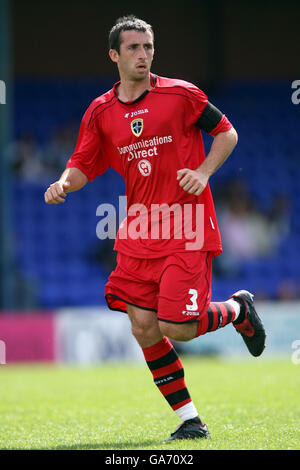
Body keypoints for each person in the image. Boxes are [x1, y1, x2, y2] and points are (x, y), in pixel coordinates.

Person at [44, 15, 266, 441]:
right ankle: (190, 420)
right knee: (144, 327)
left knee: (178, 327)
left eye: (148, 47)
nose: (143, 55)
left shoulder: (182, 94)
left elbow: (227, 133)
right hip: (139, 230)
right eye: (133, 48)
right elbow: (83, 164)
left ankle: (238, 309)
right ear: (114, 55)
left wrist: (203, 172)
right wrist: (62, 184)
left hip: (187, 224)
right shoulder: (100, 111)